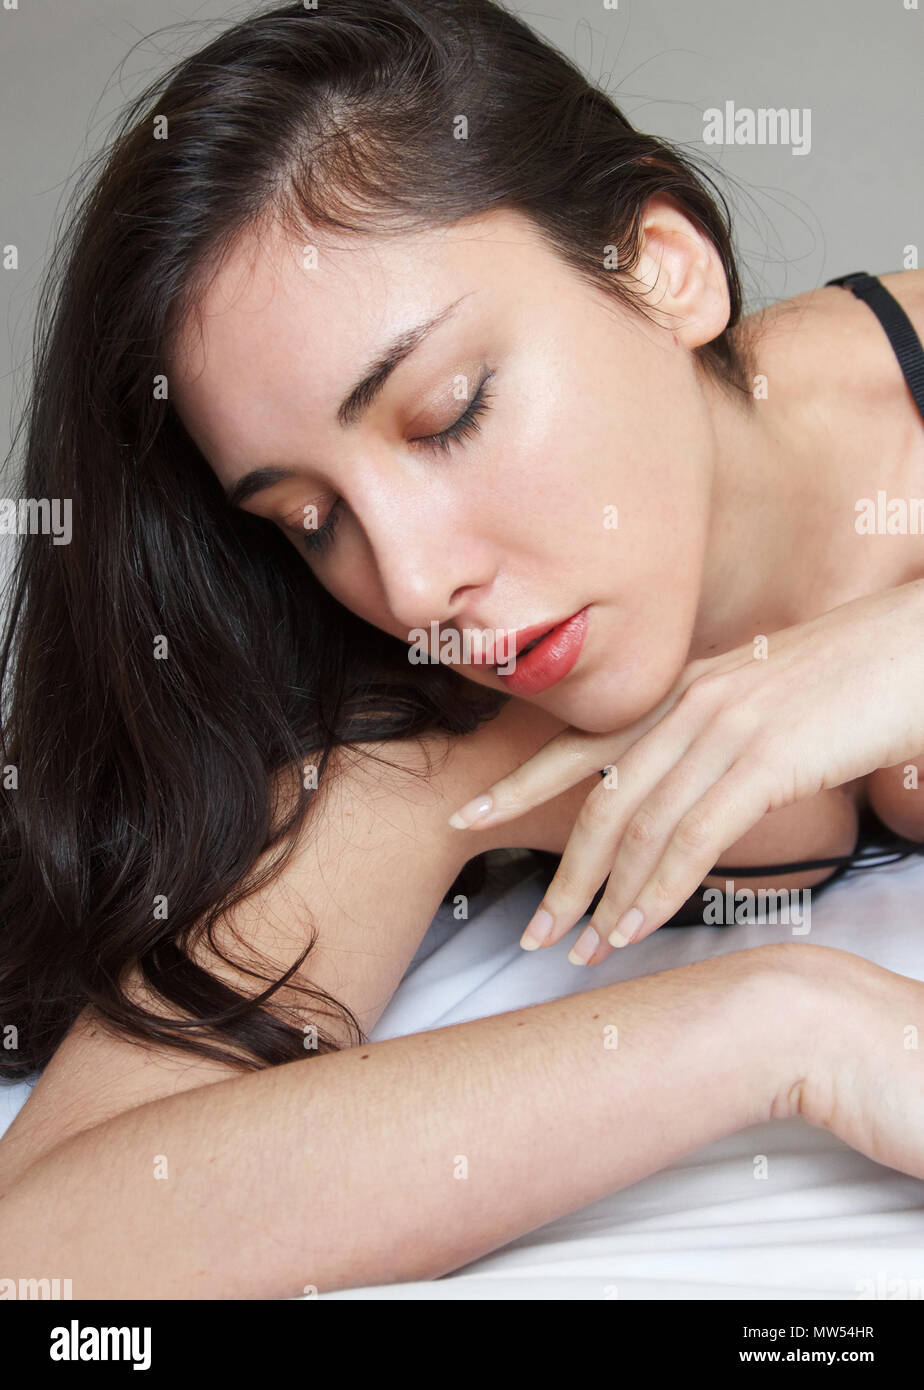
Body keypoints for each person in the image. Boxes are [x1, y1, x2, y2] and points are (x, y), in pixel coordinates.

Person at [1, 0, 923, 1298]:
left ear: (666, 268)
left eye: (447, 415)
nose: (417, 580)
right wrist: (777, 1026)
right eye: (310, 519)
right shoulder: (441, 731)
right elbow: (51, 1235)